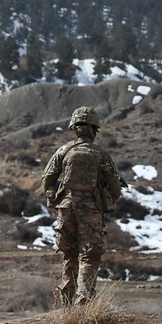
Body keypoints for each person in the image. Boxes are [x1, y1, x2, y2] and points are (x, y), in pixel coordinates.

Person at [42, 106, 122, 306]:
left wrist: (55, 200)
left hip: (66, 210)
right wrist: (108, 199)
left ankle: (67, 305)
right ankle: (84, 300)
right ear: (95, 129)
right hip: (90, 209)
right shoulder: (100, 154)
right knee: (89, 255)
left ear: (74, 127)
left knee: (69, 255)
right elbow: (114, 185)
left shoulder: (63, 151)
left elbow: (47, 180)